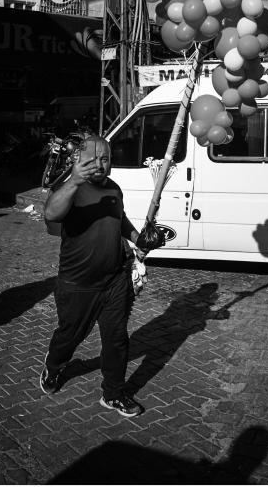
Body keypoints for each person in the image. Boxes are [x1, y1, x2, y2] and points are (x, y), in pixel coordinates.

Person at [42, 135, 164, 417]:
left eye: (105, 158)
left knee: (117, 338)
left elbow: (119, 220)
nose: (99, 164)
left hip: (114, 280)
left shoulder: (114, 189)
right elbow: (51, 212)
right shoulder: (69, 188)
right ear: (79, 161)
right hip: (77, 284)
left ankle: (114, 393)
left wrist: (138, 239)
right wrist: (73, 181)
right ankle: (55, 364)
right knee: (70, 336)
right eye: (92, 159)